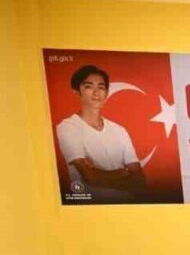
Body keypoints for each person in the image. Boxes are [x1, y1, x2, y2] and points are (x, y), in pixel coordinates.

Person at [56, 64, 146, 202]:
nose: (96, 92)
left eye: (101, 87)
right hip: (90, 207)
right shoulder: (68, 127)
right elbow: (91, 177)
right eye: (88, 86)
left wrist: (103, 175)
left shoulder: (119, 130)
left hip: (125, 206)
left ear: (106, 93)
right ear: (77, 91)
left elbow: (139, 180)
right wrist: (122, 173)